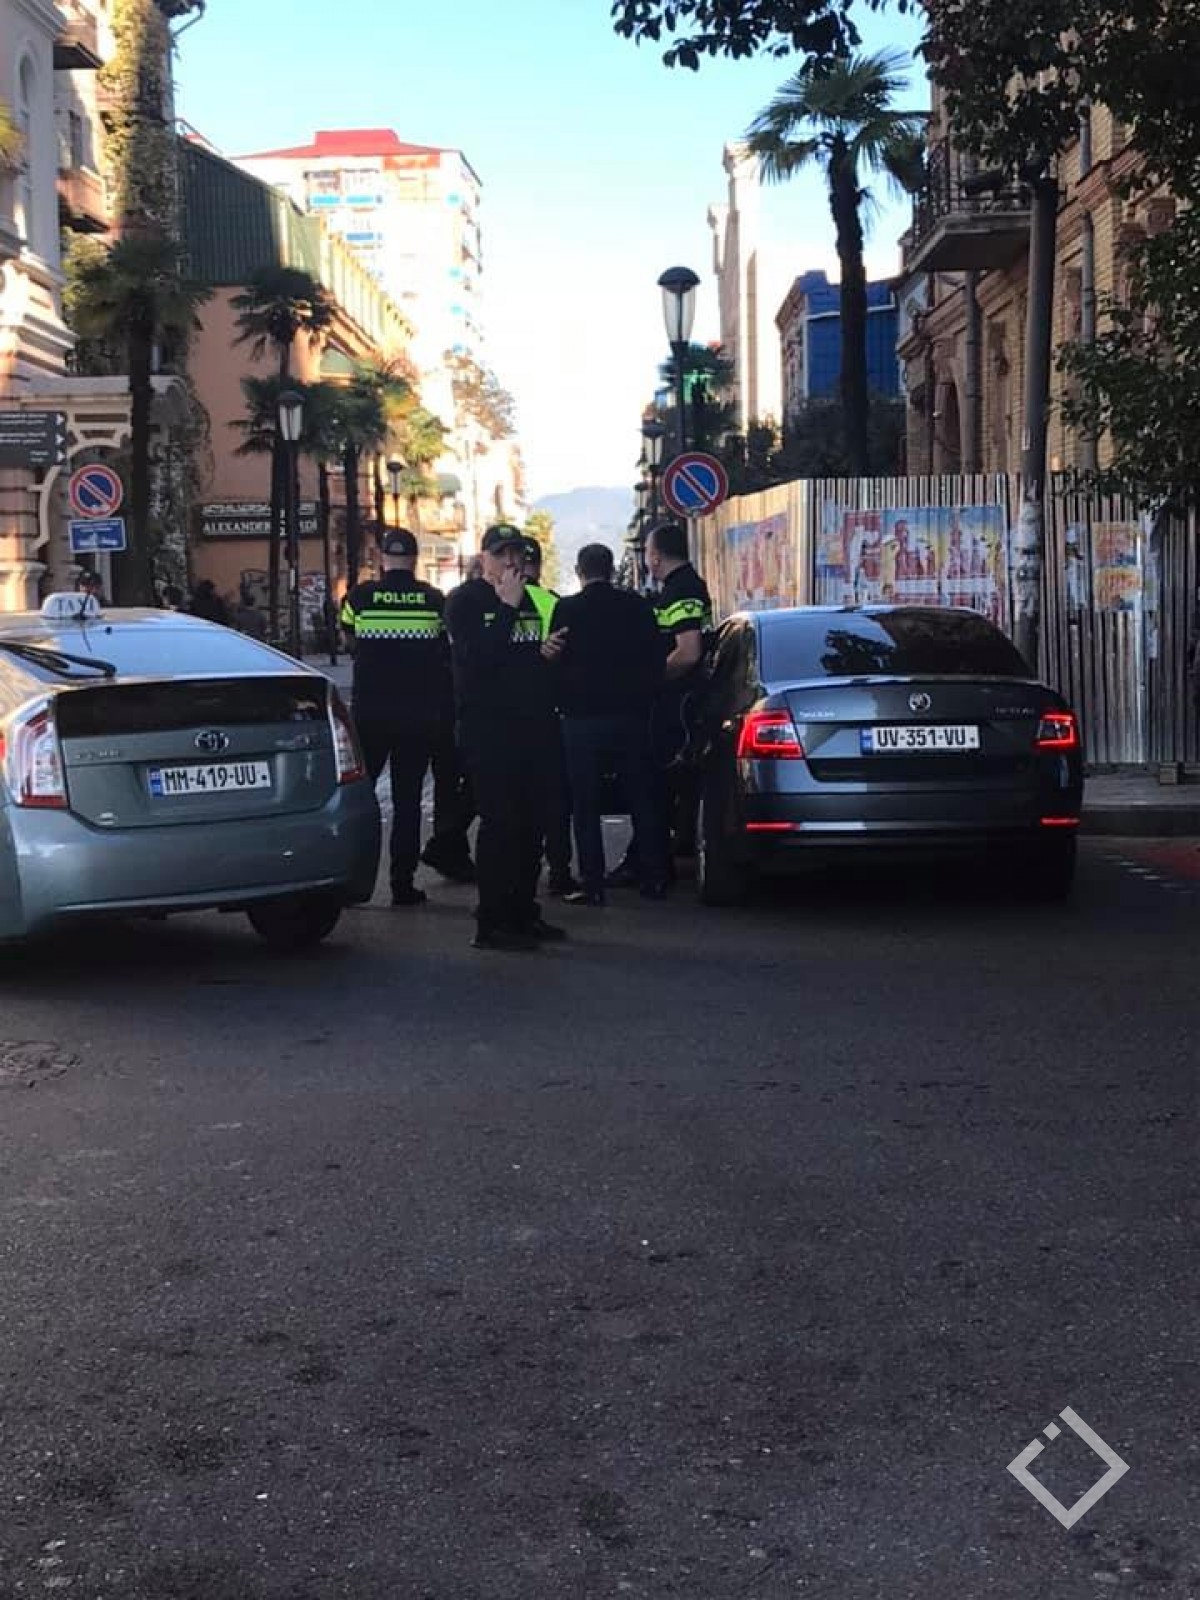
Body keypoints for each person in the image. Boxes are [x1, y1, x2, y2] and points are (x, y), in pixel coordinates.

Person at [445, 523, 568, 951]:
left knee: (532, 824)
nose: (511, 562)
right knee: (500, 824)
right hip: (489, 729)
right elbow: (478, 660)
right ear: (484, 559)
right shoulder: (465, 601)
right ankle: (492, 920)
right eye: (501, 554)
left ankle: (522, 911)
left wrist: (546, 655)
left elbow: (524, 661)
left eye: (516, 554)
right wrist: (507, 608)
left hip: (533, 726)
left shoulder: (533, 600)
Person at [339, 528, 470, 906]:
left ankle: (351, 880)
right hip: (417, 716)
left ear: (382, 558)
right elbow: (446, 650)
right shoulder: (433, 601)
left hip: (370, 715)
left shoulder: (359, 598)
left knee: (359, 800)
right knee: (407, 802)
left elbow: (348, 639)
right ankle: (402, 882)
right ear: (414, 560)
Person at [550, 543, 666, 906]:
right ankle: (653, 877)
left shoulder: (567, 609)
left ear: (579, 572)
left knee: (585, 803)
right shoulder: (637, 607)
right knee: (641, 796)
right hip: (630, 716)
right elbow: (656, 657)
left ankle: (593, 882)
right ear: (612, 569)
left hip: (581, 718)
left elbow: (555, 658)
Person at [607, 518, 713, 888]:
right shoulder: (681, 586)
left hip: (676, 705)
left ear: (655, 557)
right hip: (682, 702)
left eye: (647, 553)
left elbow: (687, 652)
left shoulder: (681, 590)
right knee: (665, 788)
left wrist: (650, 682)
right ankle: (654, 856)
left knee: (656, 785)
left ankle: (648, 862)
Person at [521, 533, 579, 897]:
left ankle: (518, 871)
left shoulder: (492, 602)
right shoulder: (552, 603)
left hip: (506, 714)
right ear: (539, 566)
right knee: (554, 796)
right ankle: (558, 869)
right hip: (548, 711)